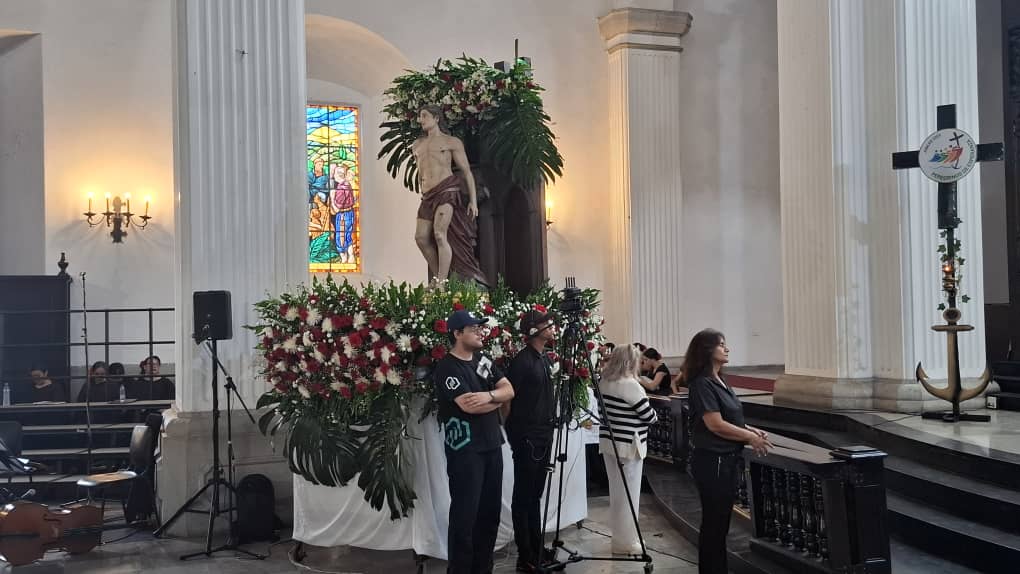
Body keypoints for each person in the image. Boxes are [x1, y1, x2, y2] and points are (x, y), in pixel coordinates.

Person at [683, 329, 773, 574]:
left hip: (726, 460)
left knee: (721, 523)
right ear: (707, 350)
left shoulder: (719, 380)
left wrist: (752, 430)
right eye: (721, 345)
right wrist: (749, 437)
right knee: (714, 524)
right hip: (714, 461)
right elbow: (715, 424)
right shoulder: (702, 383)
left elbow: (729, 417)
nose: (727, 349)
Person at [433, 309, 515, 574]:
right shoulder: (447, 366)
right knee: (465, 517)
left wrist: (489, 395)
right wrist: (497, 399)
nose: (481, 332)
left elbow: (509, 389)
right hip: (466, 451)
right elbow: (470, 407)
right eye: (473, 328)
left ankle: (483, 568)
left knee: (489, 515)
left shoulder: (482, 360)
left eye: (480, 328)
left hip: (492, 445)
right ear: (457, 334)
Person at [412, 105, 488, 285]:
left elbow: (467, 172)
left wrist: (473, 202)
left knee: (439, 234)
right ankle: (441, 276)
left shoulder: (451, 142)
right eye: (419, 116)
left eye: (424, 116)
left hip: (447, 191)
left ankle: (441, 283)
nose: (420, 120)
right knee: (421, 238)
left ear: (437, 118)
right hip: (428, 195)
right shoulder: (417, 145)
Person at [505, 309, 556, 572]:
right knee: (523, 496)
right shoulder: (522, 361)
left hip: (544, 434)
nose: (552, 327)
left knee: (535, 495)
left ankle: (536, 547)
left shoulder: (544, 358)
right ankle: (525, 553)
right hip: (527, 436)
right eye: (547, 324)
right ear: (533, 330)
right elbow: (508, 399)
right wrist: (515, 434)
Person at [597, 344, 658, 556]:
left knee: (617, 493)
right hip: (628, 446)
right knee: (629, 496)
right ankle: (627, 542)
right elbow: (649, 416)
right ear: (630, 362)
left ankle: (620, 538)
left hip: (609, 443)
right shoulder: (630, 385)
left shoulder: (604, 381)